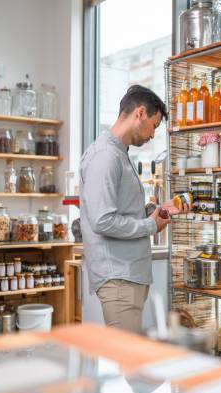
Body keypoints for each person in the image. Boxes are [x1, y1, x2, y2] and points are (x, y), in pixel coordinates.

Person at [80, 85, 189, 334]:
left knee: (129, 362)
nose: (153, 135)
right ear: (139, 113)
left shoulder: (119, 153)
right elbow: (103, 220)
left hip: (128, 276)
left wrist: (157, 210)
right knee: (127, 363)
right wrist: (150, 226)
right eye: (154, 125)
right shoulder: (106, 156)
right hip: (118, 278)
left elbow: (122, 211)